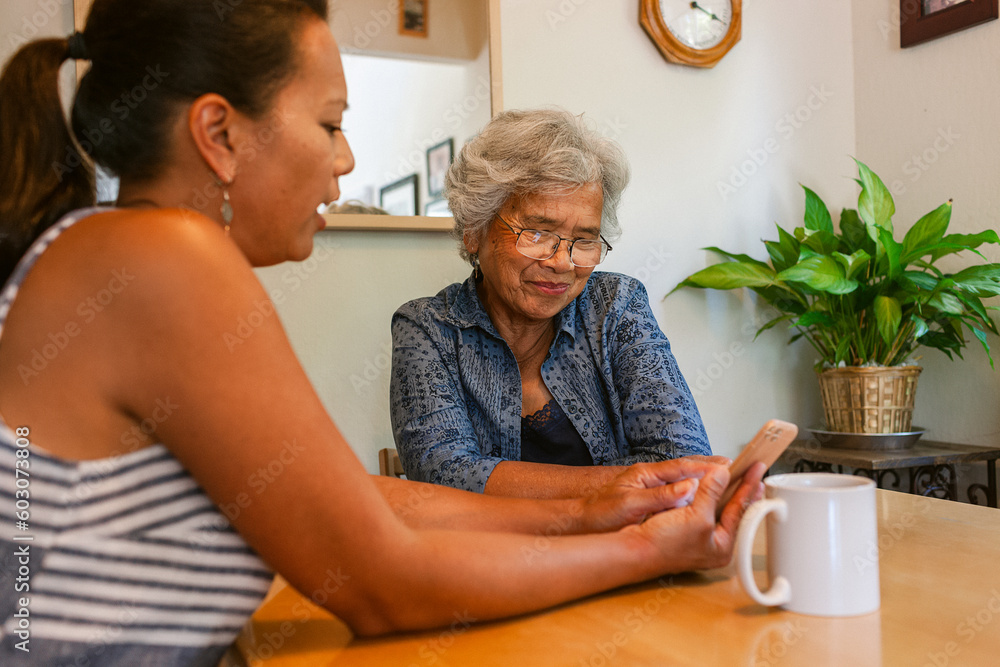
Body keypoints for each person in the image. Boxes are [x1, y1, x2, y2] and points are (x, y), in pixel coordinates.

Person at [0, 1, 764, 664]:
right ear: (219, 134)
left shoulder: (111, 248)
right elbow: (380, 579)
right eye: (330, 123)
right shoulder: (167, 258)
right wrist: (643, 548)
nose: (346, 158)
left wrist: (608, 505)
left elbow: (368, 502)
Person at [390, 109, 711, 497]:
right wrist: (627, 483)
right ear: (474, 232)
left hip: (622, 554)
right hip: (491, 556)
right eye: (539, 233)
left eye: (585, 240)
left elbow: (683, 458)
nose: (562, 262)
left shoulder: (615, 306)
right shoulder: (429, 329)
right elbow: (446, 479)